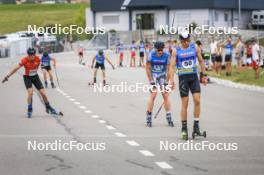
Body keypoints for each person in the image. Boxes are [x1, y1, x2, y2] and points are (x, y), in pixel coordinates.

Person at [169, 31, 207, 140]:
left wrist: (203, 75)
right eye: (184, 41)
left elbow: (201, 61)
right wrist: (171, 80)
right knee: (185, 103)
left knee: (197, 100)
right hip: (183, 79)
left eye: (187, 41)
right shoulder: (176, 51)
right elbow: (171, 67)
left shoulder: (194, 47)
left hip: (193, 78)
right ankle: (184, 128)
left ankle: (196, 126)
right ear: (180, 41)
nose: (186, 43)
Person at [2, 48, 60, 118]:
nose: (32, 56)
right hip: (27, 77)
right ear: (28, 55)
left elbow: (47, 62)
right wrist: (7, 76)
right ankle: (30, 109)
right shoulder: (24, 60)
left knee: (43, 93)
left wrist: (53, 64)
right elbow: (16, 68)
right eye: (30, 55)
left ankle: (48, 107)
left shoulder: (38, 59)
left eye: (33, 54)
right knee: (30, 93)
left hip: (35, 77)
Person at [145, 41, 173, 127]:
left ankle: (169, 116)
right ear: (155, 49)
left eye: (161, 50)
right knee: (153, 94)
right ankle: (149, 116)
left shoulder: (167, 55)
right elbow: (148, 68)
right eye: (158, 50)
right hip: (153, 75)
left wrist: (167, 82)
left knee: (165, 94)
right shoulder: (151, 54)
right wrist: (151, 81)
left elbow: (169, 69)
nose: (160, 52)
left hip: (162, 75)